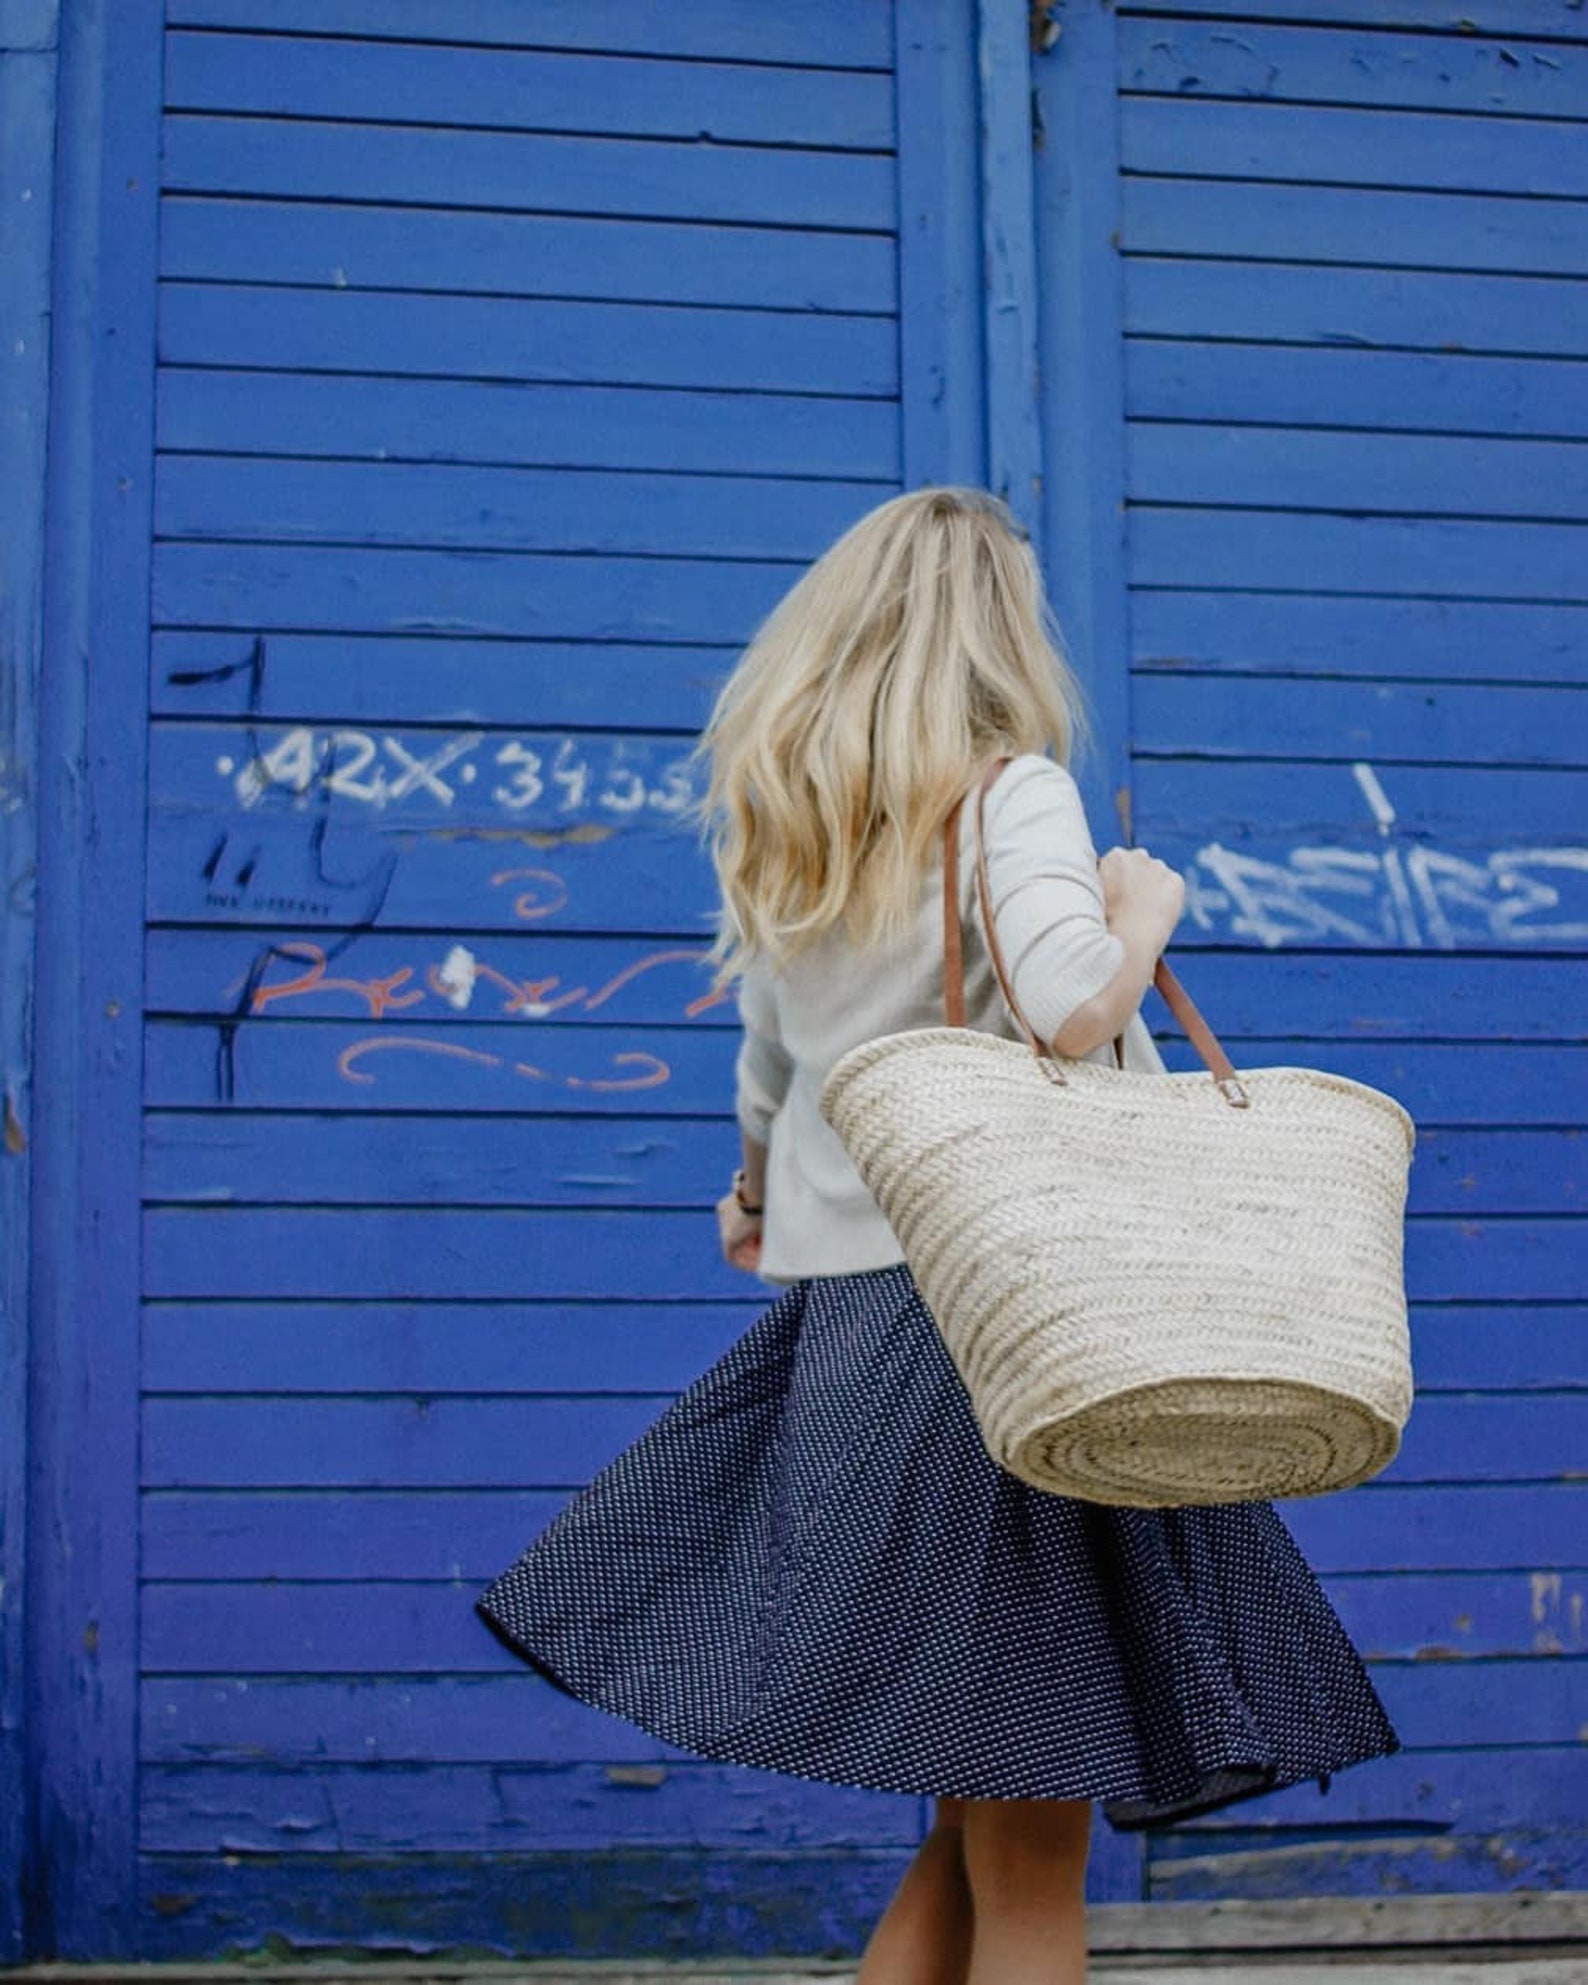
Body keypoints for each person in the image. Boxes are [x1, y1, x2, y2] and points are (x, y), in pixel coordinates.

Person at [475, 486, 1401, 1983]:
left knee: (975, 1813)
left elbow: (768, 1075)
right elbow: (1070, 1007)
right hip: (1008, 1333)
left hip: (855, 1344)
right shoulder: (1010, 791)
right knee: (1035, 1849)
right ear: (996, 626)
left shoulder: (798, 824)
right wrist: (1142, 908)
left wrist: (760, 1205)